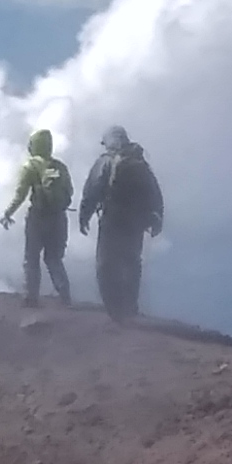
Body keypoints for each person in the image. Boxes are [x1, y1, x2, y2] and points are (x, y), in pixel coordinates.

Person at [76, 125, 164, 322]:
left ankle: (115, 311)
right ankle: (130, 307)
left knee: (106, 265)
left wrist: (84, 216)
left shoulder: (105, 161)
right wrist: (157, 220)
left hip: (112, 220)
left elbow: (92, 190)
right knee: (131, 262)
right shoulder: (140, 162)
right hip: (136, 223)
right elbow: (155, 193)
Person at [2, 127, 74, 306]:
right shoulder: (60, 167)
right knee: (54, 258)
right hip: (59, 217)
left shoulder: (31, 166)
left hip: (38, 217)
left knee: (32, 257)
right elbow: (70, 192)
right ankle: (65, 295)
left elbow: (21, 194)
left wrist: (8, 213)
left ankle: (31, 297)